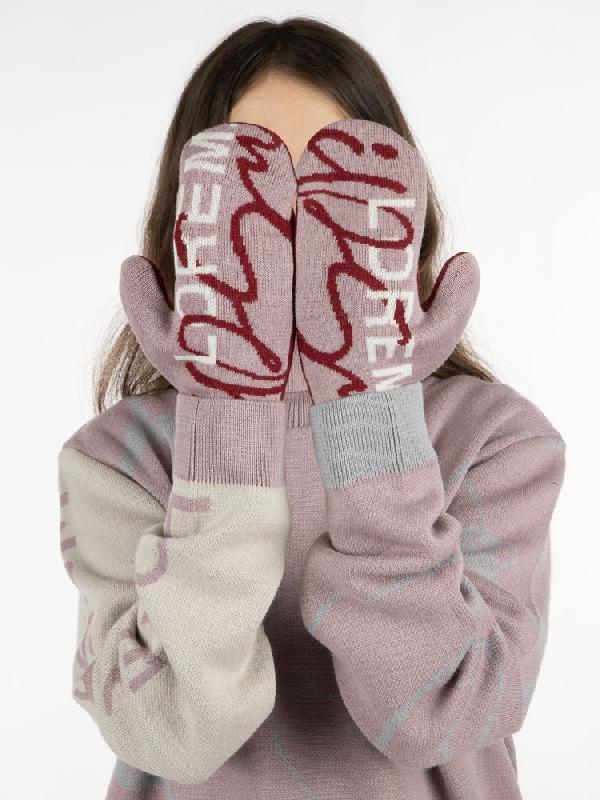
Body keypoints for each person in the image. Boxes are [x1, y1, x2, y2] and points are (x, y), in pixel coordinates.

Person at [58, 17, 566, 800]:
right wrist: (230, 412)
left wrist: (368, 409)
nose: (293, 226)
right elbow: (172, 730)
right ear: (191, 219)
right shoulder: (122, 456)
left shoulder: (493, 440)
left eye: (328, 183)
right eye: (255, 186)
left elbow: (444, 716)